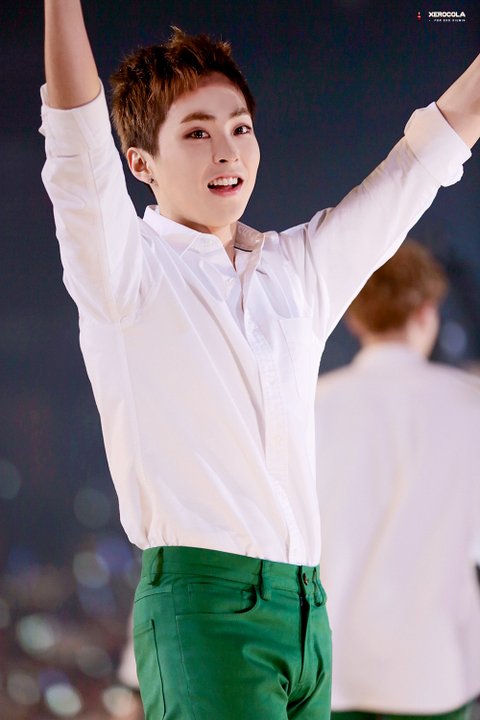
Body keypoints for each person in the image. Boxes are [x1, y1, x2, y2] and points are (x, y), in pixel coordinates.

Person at [40, 0, 479, 717]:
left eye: (240, 127)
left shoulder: (295, 272)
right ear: (140, 162)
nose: (228, 151)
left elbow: (423, 159)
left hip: (308, 612)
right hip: (206, 611)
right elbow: (75, 138)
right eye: (197, 132)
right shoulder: (125, 272)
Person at [315, 240, 480, 720]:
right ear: (427, 310)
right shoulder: (469, 404)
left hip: (332, 668)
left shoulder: (310, 406)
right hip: (433, 669)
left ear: (354, 319)